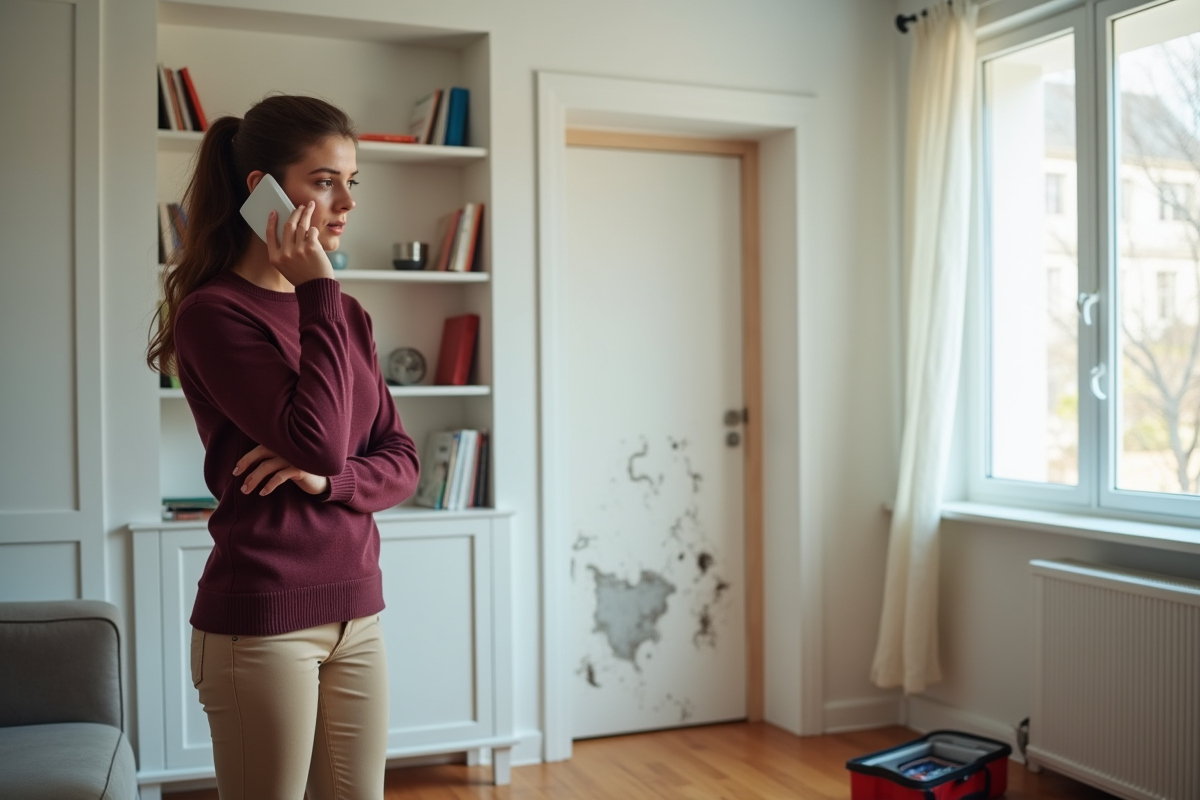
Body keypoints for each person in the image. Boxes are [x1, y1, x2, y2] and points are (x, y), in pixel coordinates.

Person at [146, 95, 420, 800]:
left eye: (351, 181)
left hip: (359, 615)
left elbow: (401, 461)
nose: (345, 202)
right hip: (263, 624)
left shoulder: (346, 314)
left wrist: (329, 484)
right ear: (261, 190)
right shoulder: (215, 313)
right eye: (324, 180)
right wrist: (317, 290)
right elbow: (323, 440)